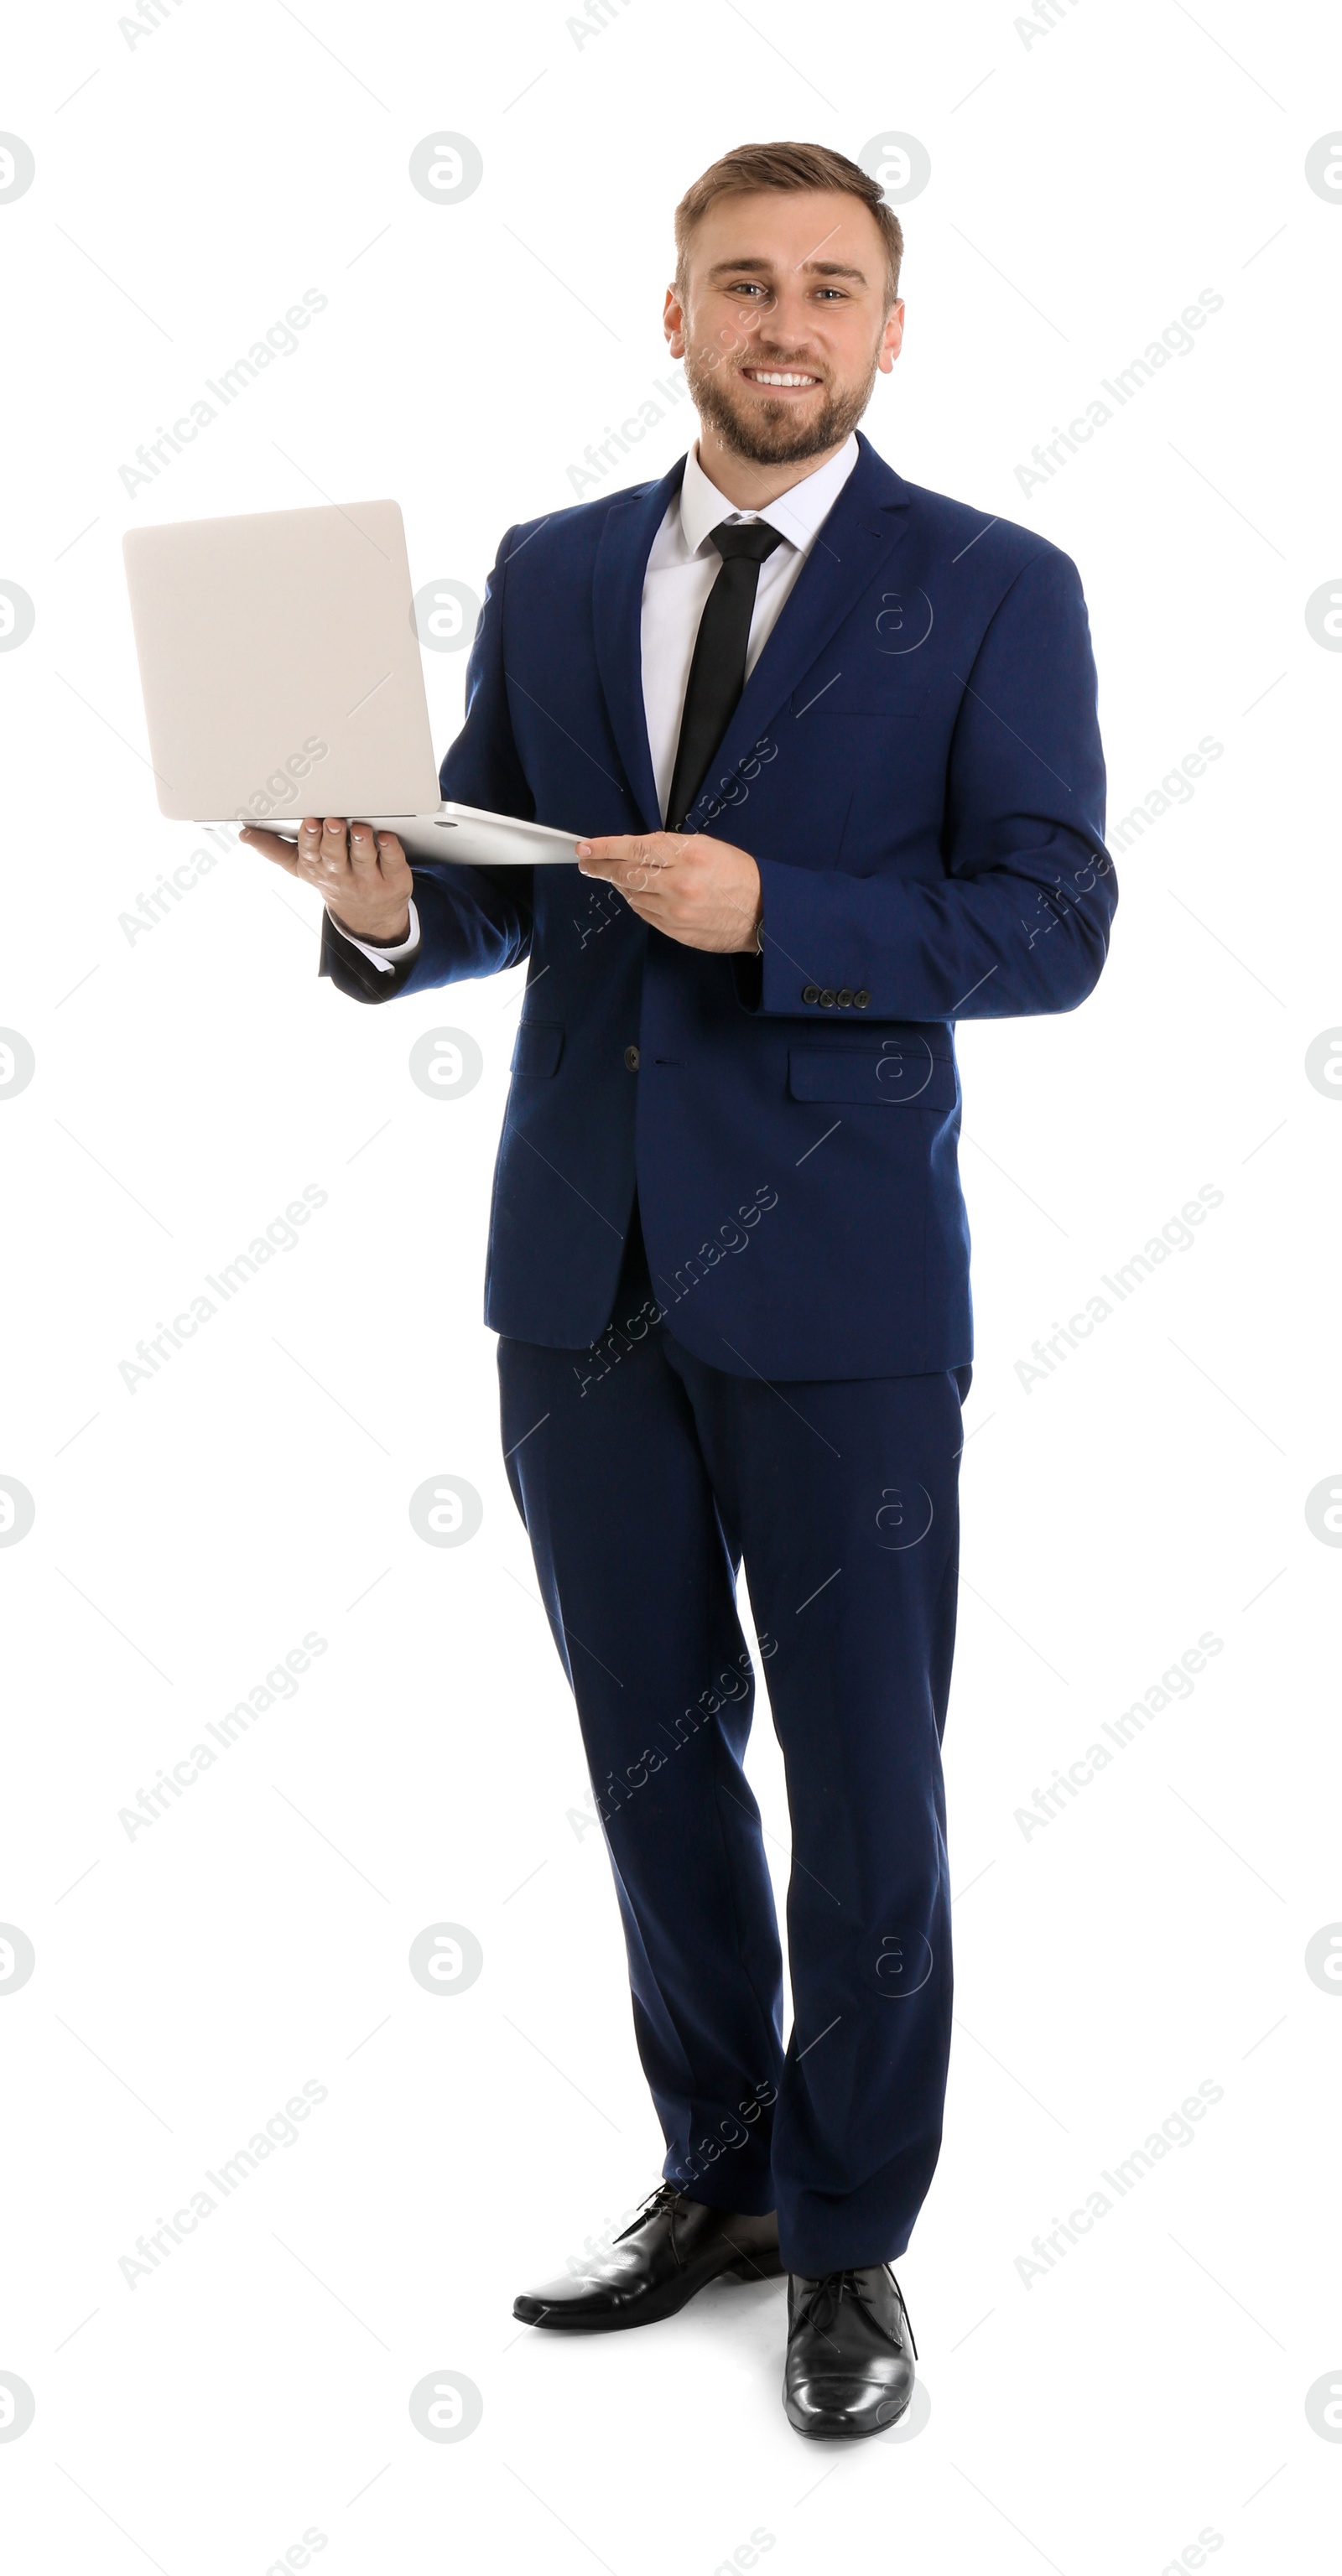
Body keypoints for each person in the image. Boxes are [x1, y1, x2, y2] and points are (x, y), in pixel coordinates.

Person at [242, 138, 1116, 2441]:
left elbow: (1054, 922)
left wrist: (787, 918)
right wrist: (377, 901)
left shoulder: (993, 588)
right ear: (676, 315)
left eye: (834, 287)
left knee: (866, 1788)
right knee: (653, 1770)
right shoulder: (545, 575)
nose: (785, 323)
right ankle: (716, 2178)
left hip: (838, 1289)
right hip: (578, 1277)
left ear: (892, 332)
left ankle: (850, 2242)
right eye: (744, 282)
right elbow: (505, 877)